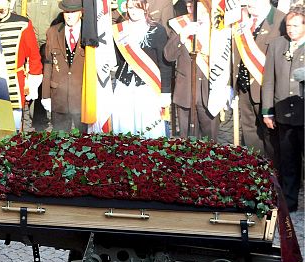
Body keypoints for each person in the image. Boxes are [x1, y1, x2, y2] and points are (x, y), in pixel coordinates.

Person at [262, 5, 305, 211]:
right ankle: (289, 202)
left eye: (296, 26)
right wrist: (267, 111)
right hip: (283, 113)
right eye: (288, 25)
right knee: (288, 160)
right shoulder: (277, 44)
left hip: (303, 112)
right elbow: (269, 80)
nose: (291, 30)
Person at [111, 0, 172, 138]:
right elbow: (117, 60)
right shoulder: (119, 30)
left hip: (148, 89)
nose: (133, 12)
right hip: (124, 88)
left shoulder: (158, 30)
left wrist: (165, 92)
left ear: (146, 7)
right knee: (124, 132)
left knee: (149, 133)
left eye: (137, 8)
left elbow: (165, 65)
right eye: (130, 7)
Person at [233, 0, 286, 156]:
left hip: (267, 91)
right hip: (244, 89)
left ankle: (273, 170)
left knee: (271, 139)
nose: (249, 2)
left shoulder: (281, 20)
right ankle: (256, 168)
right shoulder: (241, 20)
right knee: (250, 135)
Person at [164, 0, 220, 141]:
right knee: (187, 143)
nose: (192, 11)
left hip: (210, 92)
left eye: (201, 10)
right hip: (186, 92)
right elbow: (168, 55)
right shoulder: (180, 25)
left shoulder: (218, 28)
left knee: (211, 143)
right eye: (189, 7)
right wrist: (182, 36)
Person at [0, 0, 44, 129]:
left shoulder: (23, 24)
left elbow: (34, 55)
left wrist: (33, 82)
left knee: (15, 127)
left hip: (15, 83)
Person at [13, 0, 63, 128]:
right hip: (31, 45)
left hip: (55, 44)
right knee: (34, 84)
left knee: (55, 83)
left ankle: (59, 120)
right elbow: (18, 15)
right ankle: (38, 120)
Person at [41, 0, 86, 131]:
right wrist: (45, 95)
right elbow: (48, 64)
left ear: (81, 12)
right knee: (59, 138)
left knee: (85, 138)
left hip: (82, 97)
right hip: (59, 97)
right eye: (67, 12)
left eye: (73, 12)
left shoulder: (89, 33)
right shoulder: (53, 32)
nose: (69, 15)